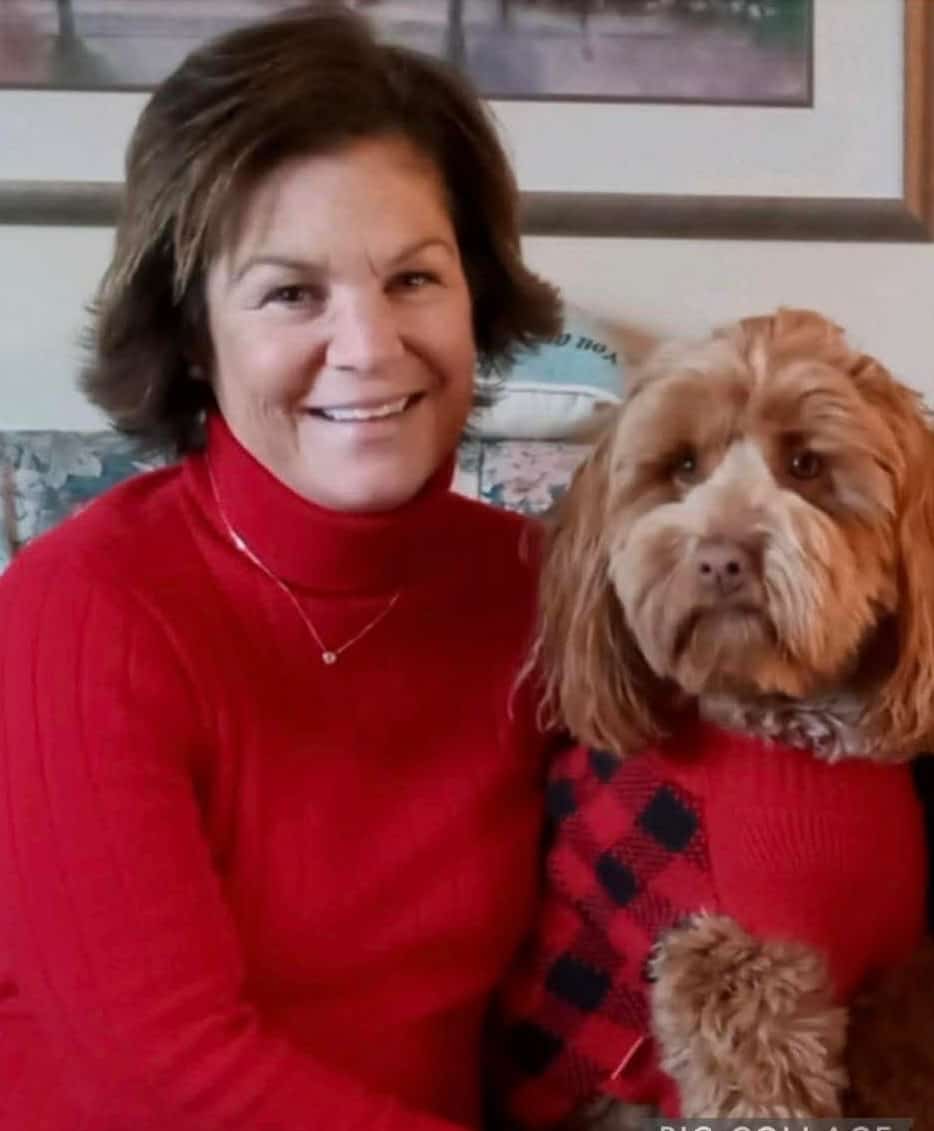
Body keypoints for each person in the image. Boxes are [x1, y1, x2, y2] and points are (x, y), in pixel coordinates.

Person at [0, 8, 562, 1129]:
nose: (368, 346)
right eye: (290, 293)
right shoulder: (79, 612)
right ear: (194, 335)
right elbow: (162, 1077)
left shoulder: (546, 590)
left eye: (413, 279)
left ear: (477, 295)